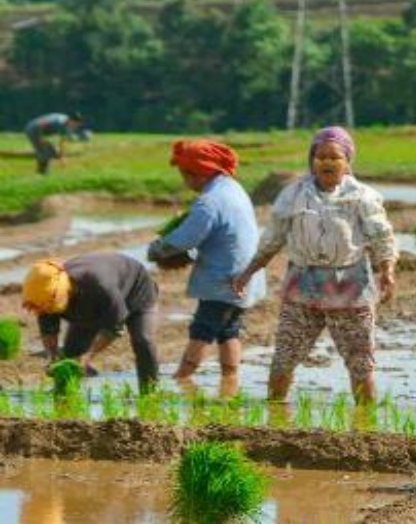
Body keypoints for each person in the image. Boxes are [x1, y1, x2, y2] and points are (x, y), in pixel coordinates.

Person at [231, 127, 397, 405]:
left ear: (347, 162)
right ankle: (275, 416)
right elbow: (273, 237)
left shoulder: (362, 197)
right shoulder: (293, 194)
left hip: (350, 285)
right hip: (303, 284)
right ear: (312, 160)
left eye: (335, 157)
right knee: (285, 354)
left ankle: (367, 424)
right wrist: (248, 272)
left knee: (360, 360)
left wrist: (387, 270)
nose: (327, 162)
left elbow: (382, 235)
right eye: (321, 157)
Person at [146, 139, 265, 397]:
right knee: (228, 329)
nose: (184, 181)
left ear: (196, 173)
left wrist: (158, 248)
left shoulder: (209, 201)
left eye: (184, 175)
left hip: (225, 277)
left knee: (203, 328)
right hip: (244, 274)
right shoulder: (232, 188)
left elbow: (186, 238)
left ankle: (182, 379)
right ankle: (230, 381)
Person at [21, 254, 160, 393]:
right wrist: (52, 357)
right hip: (90, 302)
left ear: (62, 295)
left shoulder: (99, 285)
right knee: (71, 353)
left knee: (143, 340)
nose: (47, 311)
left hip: (137, 292)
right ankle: (65, 393)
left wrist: (88, 356)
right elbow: (48, 332)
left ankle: (150, 392)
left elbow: (114, 327)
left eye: (50, 308)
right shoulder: (44, 297)